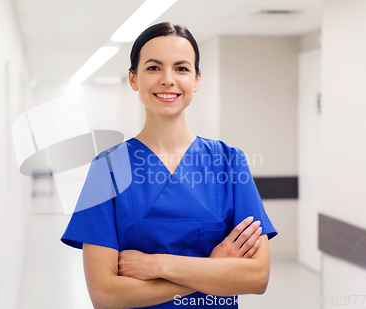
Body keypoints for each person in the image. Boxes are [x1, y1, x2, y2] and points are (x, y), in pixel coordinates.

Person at [61, 22, 278, 308]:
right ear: (133, 79)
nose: (167, 79)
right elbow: (105, 295)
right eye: (153, 68)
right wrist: (212, 268)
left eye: (181, 68)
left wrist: (158, 265)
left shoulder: (229, 161)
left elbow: (256, 277)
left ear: (197, 80)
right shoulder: (108, 169)